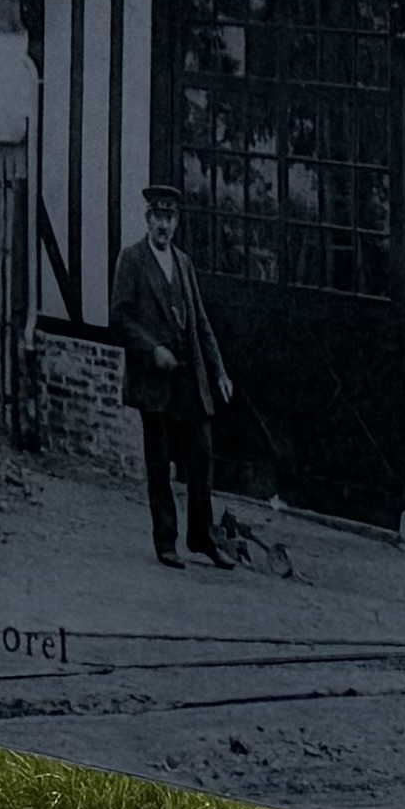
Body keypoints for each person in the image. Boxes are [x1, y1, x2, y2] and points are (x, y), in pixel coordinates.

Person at [110, 182, 233, 568]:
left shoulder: (183, 263)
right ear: (147, 220)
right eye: (157, 217)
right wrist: (152, 350)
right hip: (153, 379)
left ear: (177, 222)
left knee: (201, 456)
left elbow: (200, 322)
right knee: (160, 461)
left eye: (169, 217)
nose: (163, 224)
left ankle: (203, 537)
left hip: (187, 378)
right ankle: (166, 541)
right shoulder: (131, 259)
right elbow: (119, 318)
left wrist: (218, 370)